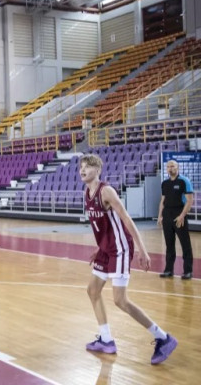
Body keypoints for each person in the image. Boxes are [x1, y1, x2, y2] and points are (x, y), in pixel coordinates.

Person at [80, 154, 178, 364]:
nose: (82, 170)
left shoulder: (106, 191)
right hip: (106, 250)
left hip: (120, 249)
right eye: (81, 167)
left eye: (87, 167)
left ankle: (163, 337)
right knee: (93, 290)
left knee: (120, 300)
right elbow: (103, 226)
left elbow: (125, 218)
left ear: (97, 170)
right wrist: (100, 248)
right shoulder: (87, 193)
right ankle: (106, 340)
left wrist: (142, 249)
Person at [158, 160, 194, 279]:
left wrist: (182, 216)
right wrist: (160, 216)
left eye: (172, 166)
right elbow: (162, 201)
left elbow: (189, 201)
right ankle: (169, 270)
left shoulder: (184, 181)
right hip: (167, 215)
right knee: (169, 244)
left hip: (179, 214)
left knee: (185, 244)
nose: (170, 168)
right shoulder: (165, 183)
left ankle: (187, 271)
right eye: (168, 167)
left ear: (177, 167)